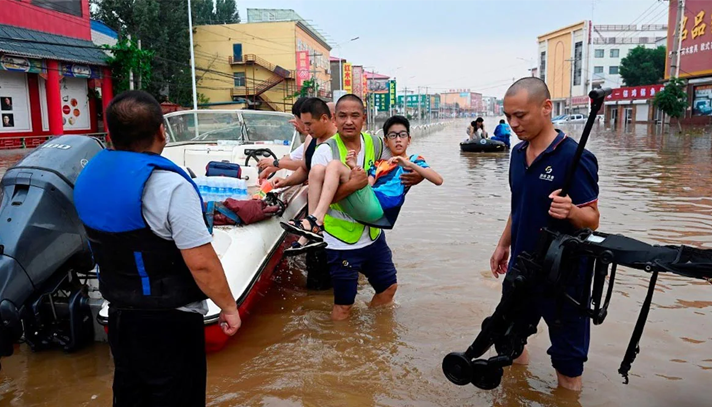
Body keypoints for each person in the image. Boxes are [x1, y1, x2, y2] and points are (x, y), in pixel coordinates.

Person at [73, 90, 241, 406]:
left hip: (121, 318)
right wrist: (229, 308)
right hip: (171, 323)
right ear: (161, 130)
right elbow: (202, 264)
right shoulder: (170, 186)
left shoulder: (88, 177)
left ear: (110, 133)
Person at [490, 77, 599, 391]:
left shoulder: (574, 158)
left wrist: (572, 212)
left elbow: (592, 220)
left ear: (546, 108)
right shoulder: (516, 154)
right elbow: (519, 206)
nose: (513, 124)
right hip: (523, 266)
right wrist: (503, 245)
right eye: (509, 116)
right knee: (508, 341)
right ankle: (516, 393)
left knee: (567, 364)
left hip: (564, 276)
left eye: (520, 115)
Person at [284, 94, 422, 320]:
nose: (349, 121)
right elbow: (321, 200)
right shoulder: (326, 151)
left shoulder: (376, 144)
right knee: (343, 306)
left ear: (364, 120)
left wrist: (417, 175)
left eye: (355, 115)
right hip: (341, 241)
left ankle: (372, 335)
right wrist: (352, 186)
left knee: (389, 288)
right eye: (343, 116)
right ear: (334, 120)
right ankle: (341, 349)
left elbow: (402, 161)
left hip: (373, 235)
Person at [281, 114, 442, 239]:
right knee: (317, 170)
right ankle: (309, 233)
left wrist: (409, 165)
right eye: (393, 136)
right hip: (369, 203)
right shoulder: (380, 164)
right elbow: (366, 186)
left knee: (335, 165)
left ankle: (317, 220)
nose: (398, 139)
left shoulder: (415, 160)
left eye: (402, 135)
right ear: (386, 141)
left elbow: (438, 180)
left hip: (380, 209)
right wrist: (353, 166)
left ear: (409, 139)